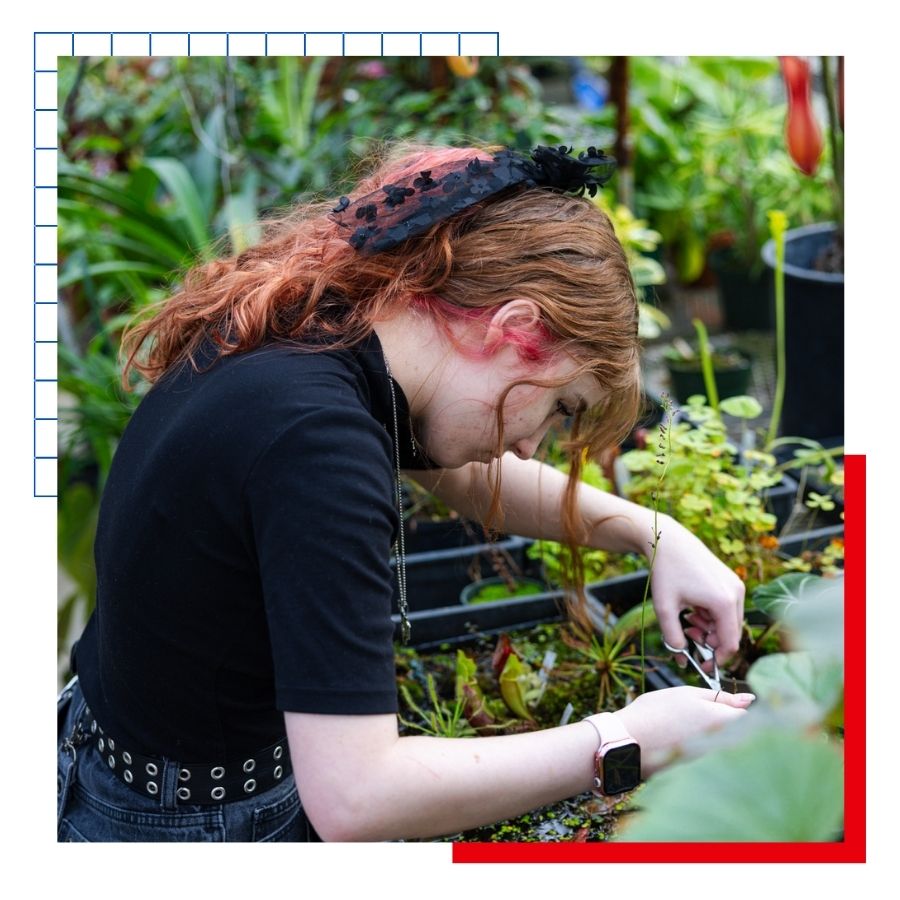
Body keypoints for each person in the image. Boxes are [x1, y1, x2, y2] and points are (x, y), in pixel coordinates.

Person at [57, 142, 753, 843]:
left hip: (125, 762)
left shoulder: (327, 330)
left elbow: (461, 475)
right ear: (515, 331)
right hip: (187, 828)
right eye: (560, 408)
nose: (527, 446)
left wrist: (653, 533)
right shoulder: (319, 446)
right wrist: (624, 737)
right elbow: (359, 798)